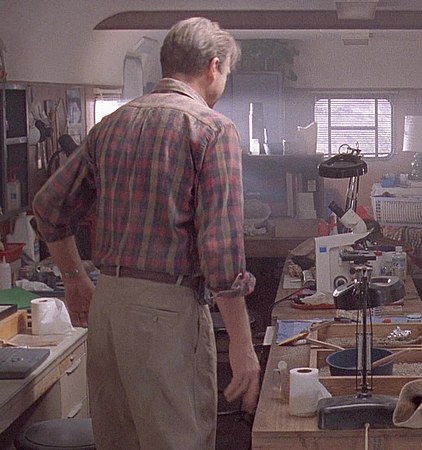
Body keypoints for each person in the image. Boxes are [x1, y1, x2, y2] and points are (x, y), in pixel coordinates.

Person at [32, 17, 261, 450]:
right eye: (226, 72)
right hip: (166, 311)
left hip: (108, 306)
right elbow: (220, 251)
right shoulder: (213, 128)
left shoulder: (111, 124)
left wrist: (75, 278)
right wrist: (242, 345)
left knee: (119, 440)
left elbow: (48, 206)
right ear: (213, 66)